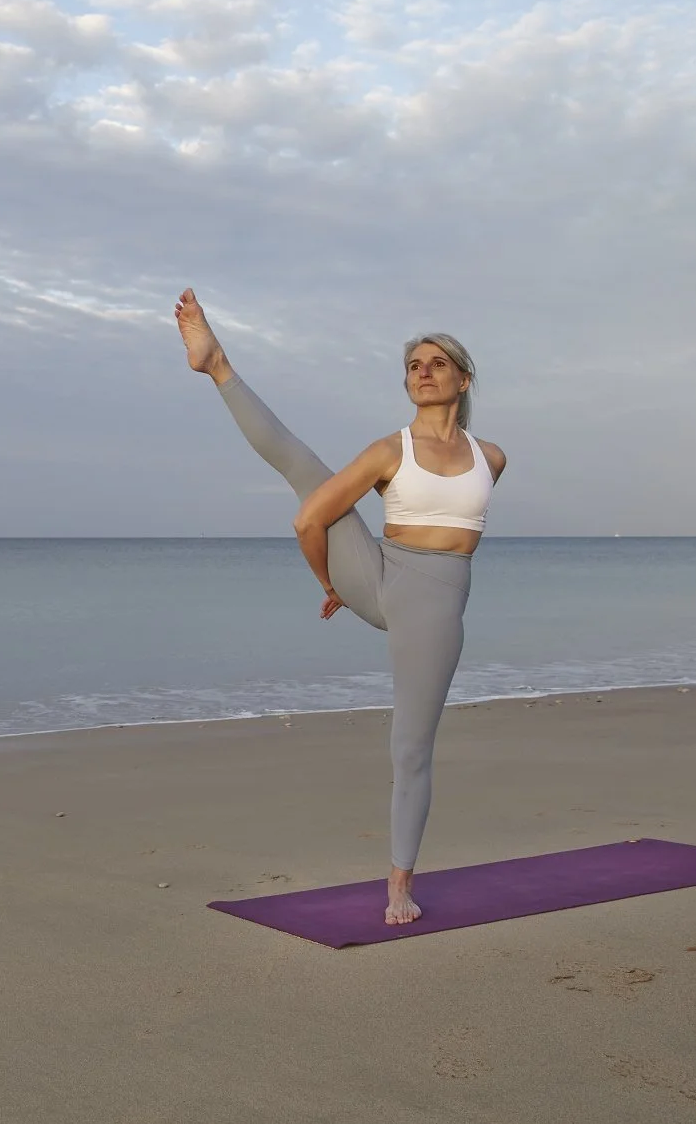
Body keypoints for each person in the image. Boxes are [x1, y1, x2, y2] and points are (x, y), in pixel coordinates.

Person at [173, 288, 506, 926]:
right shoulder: (390, 451)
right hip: (376, 571)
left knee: (411, 747)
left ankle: (399, 882)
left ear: (463, 379)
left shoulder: (491, 458)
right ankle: (218, 365)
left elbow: (460, 528)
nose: (424, 372)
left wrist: (342, 582)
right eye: (413, 365)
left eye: (437, 363)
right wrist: (333, 583)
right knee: (303, 467)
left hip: (434, 604)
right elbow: (310, 520)